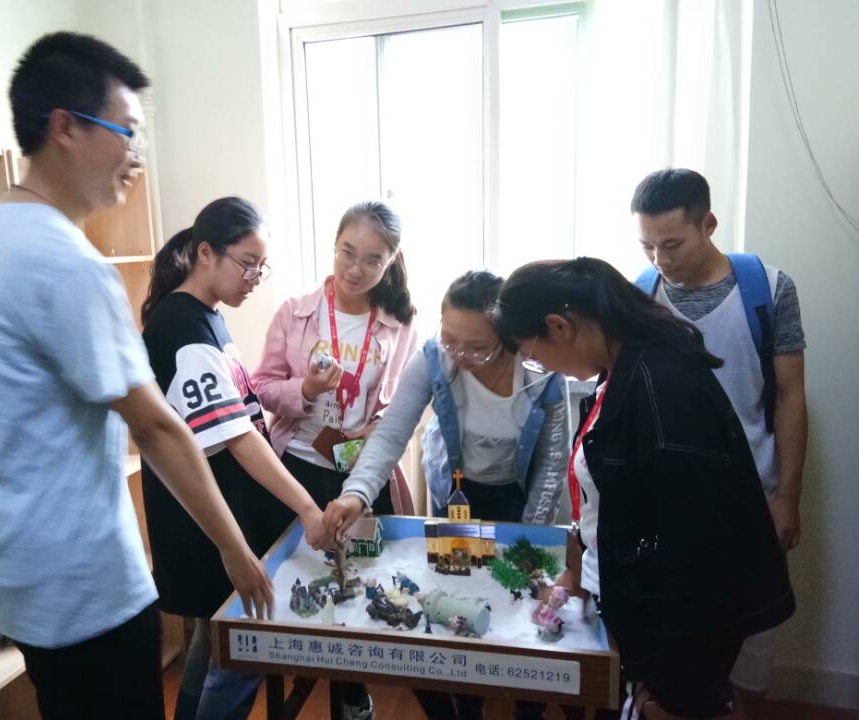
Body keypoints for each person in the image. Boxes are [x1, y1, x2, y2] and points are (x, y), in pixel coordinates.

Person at [0, 32, 271, 720]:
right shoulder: (67, 261)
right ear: (64, 127)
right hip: (86, 593)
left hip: (21, 579)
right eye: (126, 132)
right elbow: (157, 428)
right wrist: (236, 551)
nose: (135, 156)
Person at [492, 258, 795, 719]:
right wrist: (580, 574)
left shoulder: (662, 387)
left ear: (559, 326)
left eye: (532, 354)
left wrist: (673, 689)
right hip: (640, 614)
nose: (540, 366)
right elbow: (619, 505)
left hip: (678, 647)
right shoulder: (623, 366)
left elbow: (694, 553)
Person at [323, 270, 569, 720]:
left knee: (518, 605)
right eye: (450, 339)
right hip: (456, 496)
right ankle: (463, 709)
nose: (460, 355)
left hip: (518, 500)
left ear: (507, 338)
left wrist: (527, 542)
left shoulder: (541, 373)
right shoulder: (434, 358)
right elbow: (391, 433)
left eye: (477, 346)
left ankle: (526, 708)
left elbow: (552, 467)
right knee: (457, 604)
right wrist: (355, 493)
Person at [140, 198, 328, 719]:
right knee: (241, 652)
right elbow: (240, 438)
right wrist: (307, 508)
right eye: (248, 264)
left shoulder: (206, 317)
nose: (254, 279)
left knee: (215, 645)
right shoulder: (183, 326)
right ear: (206, 253)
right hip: (207, 523)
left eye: (261, 268)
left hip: (218, 516)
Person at [631, 168, 807, 710]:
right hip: (668, 506)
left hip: (752, 496)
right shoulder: (640, 295)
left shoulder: (768, 290)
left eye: (672, 244)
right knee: (674, 651)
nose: (660, 258)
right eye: (647, 246)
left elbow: (790, 397)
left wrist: (787, 497)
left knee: (752, 648)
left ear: (708, 224)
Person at [252, 200, 418, 720]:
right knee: (298, 579)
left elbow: (399, 402)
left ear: (390, 262)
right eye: (348, 252)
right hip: (297, 467)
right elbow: (260, 386)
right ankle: (303, 678)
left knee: (361, 583)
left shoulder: (397, 325)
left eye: (372, 260)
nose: (355, 269)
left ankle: (352, 693)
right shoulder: (296, 312)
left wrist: (377, 427)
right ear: (334, 245)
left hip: (359, 473)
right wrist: (304, 389)